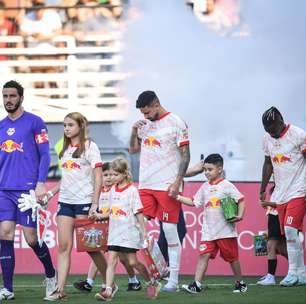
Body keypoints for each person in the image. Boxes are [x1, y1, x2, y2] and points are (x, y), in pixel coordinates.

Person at [0, 80, 57, 300]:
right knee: (4, 234)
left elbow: (45, 155)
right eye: (5, 96)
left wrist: (40, 183)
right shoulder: (1, 126)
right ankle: (8, 288)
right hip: (3, 189)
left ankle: (51, 274)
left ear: (21, 97)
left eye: (12, 96)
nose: (8, 100)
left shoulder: (35, 122)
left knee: (31, 238)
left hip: (26, 190)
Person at [129, 90, 190, 292]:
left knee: (171, 231)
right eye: (142, 114)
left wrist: (177, 182)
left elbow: (185, 155)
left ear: (156, 104)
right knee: (135, 226)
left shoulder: (176, 123)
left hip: (166, 185)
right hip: (145, 184)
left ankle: (172, 280)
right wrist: (133, 131)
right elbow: (133, 150)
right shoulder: (144, 125)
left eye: (147, 112)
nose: (144, 117)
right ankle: (158, 267)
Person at [43, 112, 108, 300]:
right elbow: (66, 179)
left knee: (91, 247)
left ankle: (108, 283)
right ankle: (60, 290)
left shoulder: (90, 146)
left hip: (84, 202)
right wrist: (50, 193)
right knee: (63, 246)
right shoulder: (63, 148)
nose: (66, 129)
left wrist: (94, 203)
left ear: (80, 126)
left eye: (70, 125)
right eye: (65, 125)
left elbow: (98, 176)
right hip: (65, 202)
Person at [177, 154, 247, 293]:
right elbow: (194, 202)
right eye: (205, 170)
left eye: (210, 169)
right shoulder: (204, 187)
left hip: (225, 231)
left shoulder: (227, 185)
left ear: (220, 169)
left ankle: (240, 283)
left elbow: (241, 200)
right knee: (204, 255)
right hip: (208, 231)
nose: (207, 172)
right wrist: (177, 197)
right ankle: (196, 285)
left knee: (232, 259)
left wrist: (239, 216)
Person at [94, 158, 161, 301]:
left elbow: (138, 212)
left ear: (124, 174)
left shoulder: (132, 191)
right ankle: (108, 291)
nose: (112, 177)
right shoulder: (112, 190)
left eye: (115, 174)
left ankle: (152, 283)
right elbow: (112, 211)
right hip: (114, 233)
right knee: (111, 260)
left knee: (132, 263)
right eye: (110, 174)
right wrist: (99, 216)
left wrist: (144, 231)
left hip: (129, 233)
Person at [73, 162, 141, 293]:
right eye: (105, 175)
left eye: (112, 175)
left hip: (116, 228)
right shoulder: (96, 192)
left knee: (122, 258)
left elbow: (115, 211)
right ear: (99, 177)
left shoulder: (116, 190)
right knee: (98, 252)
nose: (109, 178)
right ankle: (89, 282)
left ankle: (134, 280)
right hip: (102, 228)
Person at [259, 106, 306, 286]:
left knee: (290, 230)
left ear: (280, 121)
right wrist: (262, 187)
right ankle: (301, 273)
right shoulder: (267, 139)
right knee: (289, 233)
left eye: (273, 129)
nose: (271, 133)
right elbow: (267, 163)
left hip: (299, 190)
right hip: (280, 194)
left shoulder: (298, 134)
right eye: (267, 131)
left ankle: (292, 273)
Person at [256, 182, 288, 286]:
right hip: (274, 217)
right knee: (282, 248)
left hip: (278, 218)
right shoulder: (277, 185)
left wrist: (267, 204)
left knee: (271, 245)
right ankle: (299, 269)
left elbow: (283, 203)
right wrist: (265, 204)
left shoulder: (286, 185)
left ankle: (271, 276)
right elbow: (275, 204)